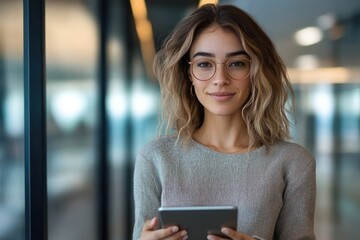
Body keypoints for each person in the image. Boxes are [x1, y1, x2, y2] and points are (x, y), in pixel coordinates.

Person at [133, 3, 316, 240]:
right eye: (204, 64)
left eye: (237, 63)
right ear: (189, 73)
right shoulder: (155, 158)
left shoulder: (293, 163)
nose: (220, 79)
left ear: (256, 70)